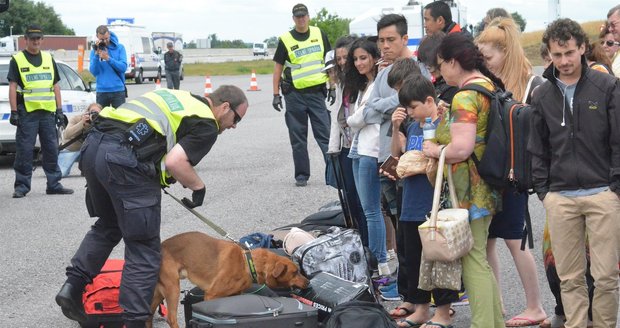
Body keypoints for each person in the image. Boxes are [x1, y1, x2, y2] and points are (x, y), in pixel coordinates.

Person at [55, 86, 249, 328]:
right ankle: (135, 322)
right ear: (224, 107)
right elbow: (176, 162)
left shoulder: (179, 96)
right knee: (144, 249)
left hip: (94, 148)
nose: (234, 126)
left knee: (108, 226)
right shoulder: (207, 123)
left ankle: (72, 287)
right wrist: (198, 188)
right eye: (236, 119)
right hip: (123, 160)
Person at [529, 18, 620, 328]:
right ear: (549, 55)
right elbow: (537, 148)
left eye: (569, 52)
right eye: (557, 55)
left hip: (602, 194)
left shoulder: (607, 86)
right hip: (561, 198)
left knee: (606, 276)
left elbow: (618, 140)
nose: (564, 61)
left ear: (582, 48)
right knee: (569, 278)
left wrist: (614, 187)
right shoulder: (542, 95)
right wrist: (546, 193)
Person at [422, 32, 505, 328]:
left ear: (454, 62)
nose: (440, 71)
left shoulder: (465, 96)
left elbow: (461, 148)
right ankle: (494, 322)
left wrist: (435, 148)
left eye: (441, 64)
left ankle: (484, 324)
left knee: (473, 263)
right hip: (487, 186)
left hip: (469, 190)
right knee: (479, 258)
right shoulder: (487, 86)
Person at [476, 17, 547, 327]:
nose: (484, 63)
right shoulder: (488, 82)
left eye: (488, 57)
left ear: (505, 50)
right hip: (490, 174)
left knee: (515, 241)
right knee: (488, 241)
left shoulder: (533, 83)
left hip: (516, 178)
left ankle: (535, 306)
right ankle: (496, 301)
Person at [391, 76, 458, 328]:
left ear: (430, 101)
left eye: (413, 107)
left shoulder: (444, 122)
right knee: (414, 258)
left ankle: (443, 311)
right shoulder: (413, 125)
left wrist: (421, 165)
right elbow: (399, 154)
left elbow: (445, 157)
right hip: (410, 201)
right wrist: (397, 127)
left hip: (433, 203)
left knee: (439, 258)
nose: (409, 112)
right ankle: (420, 309)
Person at [343, 38, 392, 280]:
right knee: (368, 210)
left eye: (364, 57)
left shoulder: (379, 83)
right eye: (356, 59)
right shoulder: (365, 85)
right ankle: (377, 263)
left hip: (371, 151)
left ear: (374, 57)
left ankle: (380, 264)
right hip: (358, 149)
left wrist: (356, 119)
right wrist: (359, 118)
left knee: (372, 211)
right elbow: (361, 116)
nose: (359, 62)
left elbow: (359, 118)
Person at [8, 24, 73, 198]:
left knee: (51, 149)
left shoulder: (48, 58)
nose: (35, 41)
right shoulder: (17, 59)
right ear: (25, 39)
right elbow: (13, 87)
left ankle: (54, 184)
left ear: (42, 40)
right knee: (24, 150)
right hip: (27, 113)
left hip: (47, 114)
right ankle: (22, 186)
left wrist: (60, 110)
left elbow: (56, 86)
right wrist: (14, 111)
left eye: (38, 38)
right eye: (32, 38)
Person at [272, 3, 332, 187]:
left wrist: (334, 86)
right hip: (294, 95)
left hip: (316, 94)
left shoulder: (319, 34)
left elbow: (329, 62)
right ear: (293, 19)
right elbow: (277, 69)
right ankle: (301, 175)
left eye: (304, 16)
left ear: (308, 16)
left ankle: (335, 174)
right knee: (298, 137)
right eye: (298, 17)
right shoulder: (286, 39)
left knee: (326, 136)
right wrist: (276, 94)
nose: (301, 19)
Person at [325, 35, 369, 246]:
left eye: (345, 57)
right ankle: (357, 242)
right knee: (351, 200)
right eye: (338, 58)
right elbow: (336, 115)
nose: (342, 62)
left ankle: (371, 245)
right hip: (344, 148)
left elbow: (359, 116)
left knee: (364, 203)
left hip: (361, 148)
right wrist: (333, 147)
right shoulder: (342, 83)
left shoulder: (362, 82)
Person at [58, 103, 103, 177]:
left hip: (89, 151)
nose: (95, 115)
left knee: (96, 174)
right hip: (72, 149)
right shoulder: (77, 119)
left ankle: (86, 168)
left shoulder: (102, 121)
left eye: (97, 113)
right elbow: (66, 135)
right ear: (87, 112)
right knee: (61, 173)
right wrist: (82, 123)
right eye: (92, 112)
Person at [90, 25, 127, 108]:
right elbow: (93, 71)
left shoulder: (120, 48)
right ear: (97, 37)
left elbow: (123, 67)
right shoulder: (95, 51)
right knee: (101, 120)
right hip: (102, 91)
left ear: (109, 34)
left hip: (118, 90)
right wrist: (96, 56)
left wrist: (108, 59)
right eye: (102, 39)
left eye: (106, 38)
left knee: (119, 119)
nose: (105, 41)